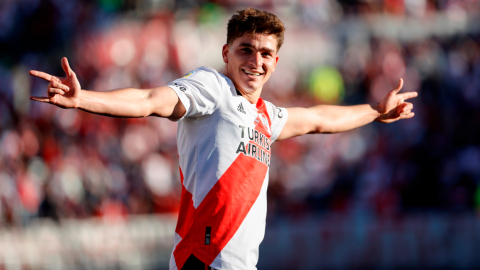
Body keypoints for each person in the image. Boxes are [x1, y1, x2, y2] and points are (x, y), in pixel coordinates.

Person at [29, 7, 417, 270]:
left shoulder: (268, 115)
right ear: (226, 53)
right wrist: (84, 100)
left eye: (265, 53)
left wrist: (374, 111)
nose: (256, 60)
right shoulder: (212, 88)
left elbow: (317, 119)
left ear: (276, 63)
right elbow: (151, 100)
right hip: (203, 260)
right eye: (245, 49)